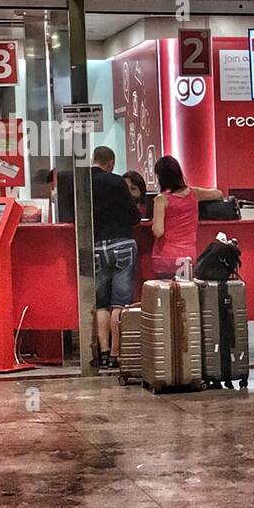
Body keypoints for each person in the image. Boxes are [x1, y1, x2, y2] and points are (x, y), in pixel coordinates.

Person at [90, 146, 141, 369]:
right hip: (121, 244)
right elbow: (133, 216)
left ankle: (102, 353)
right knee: (119, 303)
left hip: (95, 247)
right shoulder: (116, 182)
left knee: (101, 303)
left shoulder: (81, 182)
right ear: (110, 162)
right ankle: (116, 354)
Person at [151, 154, 222, 279]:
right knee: (185, 295)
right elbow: (218, 193)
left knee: (166, 295)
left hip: (165, 257)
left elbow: (158, 231)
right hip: (187, 256)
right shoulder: (194, 193)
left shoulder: (161, 199)